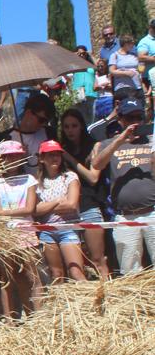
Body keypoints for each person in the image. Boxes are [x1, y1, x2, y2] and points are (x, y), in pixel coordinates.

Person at [90, 100, 155, 274]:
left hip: (152, 212)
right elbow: (96, 165)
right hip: (125, 216)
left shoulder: (151, 141)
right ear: (120, 119)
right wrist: (120, 140)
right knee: (129, 271)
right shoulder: (108, 144)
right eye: (129, 118)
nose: (135, 122)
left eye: (139, 117)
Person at [0, 142, 40, 317]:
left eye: (16, 156)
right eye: (9, 156)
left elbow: (29, 209)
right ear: (1, 159)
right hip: (5, 234)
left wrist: (3, 213)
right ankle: (9, 320)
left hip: (26, 231)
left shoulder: (30, 180)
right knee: (8, 277)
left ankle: (36, 315)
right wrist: (7, 213)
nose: (13, 159)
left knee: (31, 275)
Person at [58, 108, 109, 280]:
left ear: (81, 126)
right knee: (76, 265)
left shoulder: (94, 146)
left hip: (89, 205)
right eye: (66, 127)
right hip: (68, 211)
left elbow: (93, 178)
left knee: (97, 259)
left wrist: (70, 159)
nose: (70, 130)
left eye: (74, 125)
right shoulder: (60, 151)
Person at [33, 140, 86, 282]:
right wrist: (57, 201)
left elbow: (71, 205)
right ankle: (60, 303)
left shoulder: (70, 177)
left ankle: (89, 302)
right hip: (47, 231)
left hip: (68, 228)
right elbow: (35, 210)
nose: (55, 158)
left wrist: (46, 207)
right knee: (56, 274)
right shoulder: (37, 182)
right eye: (50, 155)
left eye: (57, 154)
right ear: (42, 158)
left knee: (76, 272)